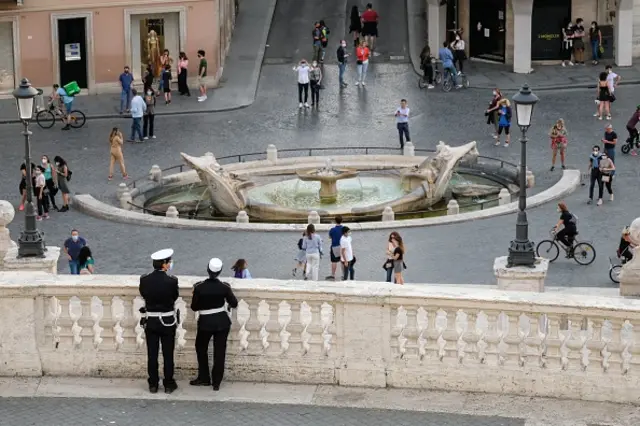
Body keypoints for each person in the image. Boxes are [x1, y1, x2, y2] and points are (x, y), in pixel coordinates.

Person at [190, 257, 238, 391]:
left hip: (205, 322)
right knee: (220, 351)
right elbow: (234, 303)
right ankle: (216, 382)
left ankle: (204, 378)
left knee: (201, 348)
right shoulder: (225, 287)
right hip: (222, 322)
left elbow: (194, 307)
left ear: (207, 269)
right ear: (220, 271)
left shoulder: (199, 287)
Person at [139, 248, 179, 394]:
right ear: (164, 264)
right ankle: (168, 383)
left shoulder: (144, 280)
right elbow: (174, 297)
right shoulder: (172, 281)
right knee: (168, 354)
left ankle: (153, 384)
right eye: (169, 262)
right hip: (167, 321)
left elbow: (144, 294)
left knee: (152, 354)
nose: (170, 264)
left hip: (151, 321)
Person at [326, 216, 344, 280]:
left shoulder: (332, 229)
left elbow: (330, 237)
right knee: (342, 261)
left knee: (334, 261)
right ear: (341, 221)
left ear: (335, 221)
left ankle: (333, 275)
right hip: (342, 246)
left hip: (334, 246)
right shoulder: (344, 229)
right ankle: (344, 274)